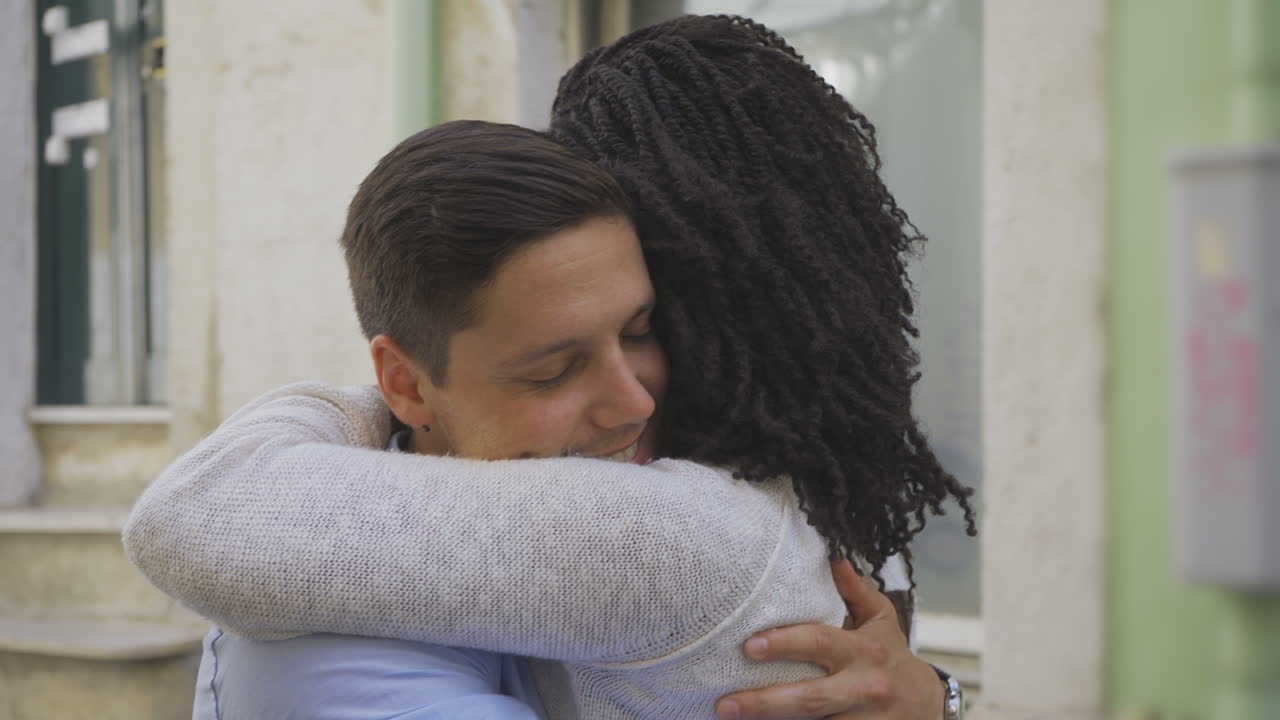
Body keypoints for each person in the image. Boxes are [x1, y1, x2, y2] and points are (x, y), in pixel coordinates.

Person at [125, 14, 974, 720]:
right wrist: (945, 699)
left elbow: (188, 514)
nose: (631, 396)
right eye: (552, 368)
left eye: (645, 327)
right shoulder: (823, 495)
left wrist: (375, 412)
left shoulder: (671, 536)